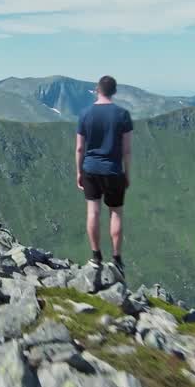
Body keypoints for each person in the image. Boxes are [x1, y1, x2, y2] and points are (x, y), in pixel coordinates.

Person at [75, 75, 133, 274]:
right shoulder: (123, 115)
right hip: (113, 170)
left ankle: (96, 256)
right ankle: (116, 258)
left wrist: (79, 171)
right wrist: (127, 173)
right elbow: (127, 150)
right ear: (114, 92)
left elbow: (80, 148)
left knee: (93, 212)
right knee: (115, 213)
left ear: (97, 90)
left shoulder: (85, 114)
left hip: (90, 169)